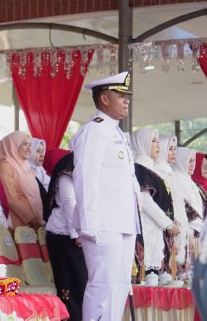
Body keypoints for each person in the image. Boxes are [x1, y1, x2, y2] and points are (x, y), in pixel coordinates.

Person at [71, 71, 139, 321]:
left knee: (119, 286)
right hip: (102, 223)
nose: (126, 100)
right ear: (104, 99)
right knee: (102, 286)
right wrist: (88, 223)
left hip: (122, 222)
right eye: (120, 95)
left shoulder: (117, 132)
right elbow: (85, 179)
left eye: (126, 96)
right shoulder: (94, 130)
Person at [44, 148, 87, 321]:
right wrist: (76, 232)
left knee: (82, 285)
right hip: (64, 235)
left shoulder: (85, 164)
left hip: (80, 235)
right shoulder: (67, 167)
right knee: (71, 287)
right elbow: (70, 202)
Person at [132, 128, 176, 277]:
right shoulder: (138, 168)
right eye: (153, 141)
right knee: (146, 278)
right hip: (145, 230)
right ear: (142, 143)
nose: (157, 145)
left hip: (157, 230)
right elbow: (146, 201)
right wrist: (168, 224)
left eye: (158, 141)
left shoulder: (153, 169)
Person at [0, 131, 44, 229]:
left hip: (34, 223)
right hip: (19, 224)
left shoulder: (24, 165)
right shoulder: (5, 165)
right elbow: (11, 200)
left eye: (30, 145)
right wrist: (33, 221)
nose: (29, 148)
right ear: (13, 144)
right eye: (25, 144)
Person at [160, 135, 190, 271]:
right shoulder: (159, 173)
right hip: (167, 230)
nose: (173, 153)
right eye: (169, 149)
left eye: (174, 149)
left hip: (179, 229)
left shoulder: (171, 173)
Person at [174, 147, 203, 261]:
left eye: (194, 161)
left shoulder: (189, 181)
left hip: (196, 232)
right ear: (181, 160)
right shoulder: (177, 180)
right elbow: (181, 208)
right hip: (185, 232)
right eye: (189, 161)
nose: (192, 164)